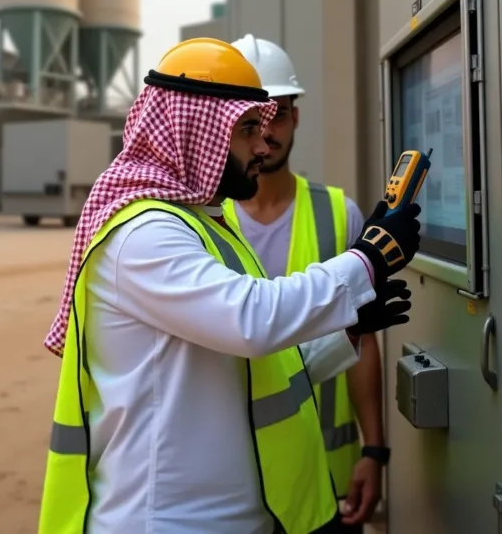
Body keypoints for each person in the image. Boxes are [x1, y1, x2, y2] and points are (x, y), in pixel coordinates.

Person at [38, 37, 420, 534]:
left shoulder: (203, 225)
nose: (263, 144)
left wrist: (347, 330)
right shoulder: (144, 235)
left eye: (266, 124)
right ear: (195, 132)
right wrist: (366, 260)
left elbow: (256, 370)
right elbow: (252, 321)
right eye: (246, 129)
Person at [225, 35, 391, 533]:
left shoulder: (338, 213)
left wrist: (374, 450)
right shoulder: (202, 222)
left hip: (325, 477)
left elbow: (362, 340)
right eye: (251, 119)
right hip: (233, 480)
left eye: (277, 114)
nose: (266, 132)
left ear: (296, 116)